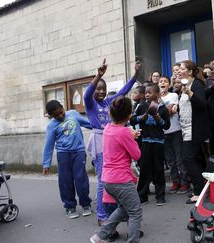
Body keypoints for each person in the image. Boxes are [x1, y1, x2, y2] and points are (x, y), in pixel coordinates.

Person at [84, 58, 141, 226]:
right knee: (103, 180)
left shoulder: (109, 102)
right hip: (100, 143)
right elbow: (87, 93)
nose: (101, 92)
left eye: (104, 89)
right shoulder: (91, 103)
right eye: (98, 89)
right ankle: (102, 215)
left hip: (112, 141)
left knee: (114, 179)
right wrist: (98, 76)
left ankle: (114, 210)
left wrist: (135, 76)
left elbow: (123, 92)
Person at [90, 96, 142, 243]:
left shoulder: (107, 128)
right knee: (135, 212)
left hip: (107, 179)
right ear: (129, 115)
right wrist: (132, 137)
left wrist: (129, 136)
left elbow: (118, 140)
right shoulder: (125, 132)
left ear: (110, 114)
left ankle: (100, 236)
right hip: (121, 180)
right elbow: (136, 155)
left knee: (125, 208)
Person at [41, 100, 92, 219]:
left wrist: (104, 127)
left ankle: (86, 204)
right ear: (50, 116)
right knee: (65, 180)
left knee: (81, 178)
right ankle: (70, 206)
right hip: (63, 154)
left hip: (78, 152)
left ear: (63, 108)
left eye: (61, 112)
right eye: (56, 115)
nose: (60, 116)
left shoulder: (73, 114)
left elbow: (88, 123)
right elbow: (48, 145)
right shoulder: (51, 126)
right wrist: (46, 164)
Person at [130, 83, 170, 206]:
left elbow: (167, 126)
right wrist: (142, 117)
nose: (147, 94)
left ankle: (160, 196)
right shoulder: (141, 107)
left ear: (157, 94)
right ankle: (142, 196)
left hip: (158, 142)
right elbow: (132, 120)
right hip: (145, 141)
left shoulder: (162, 108)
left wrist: (159, 119)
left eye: (150, 92)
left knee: (158, 168)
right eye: (146, 92)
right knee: (145, 169)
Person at [178, 60, 210, 204]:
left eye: (182, 69)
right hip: (186, 129)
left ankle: (199, 191)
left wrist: (190, 93)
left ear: (190, 72)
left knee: (188, 158)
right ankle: (201, 188)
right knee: (193, 159)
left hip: (194, 129)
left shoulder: (196, 85)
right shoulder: (185, 86)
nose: (178, 71)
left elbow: (202, 105)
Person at [159, 76, 190, 194]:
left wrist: (162, 108)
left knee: (179, 158)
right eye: (161, 82)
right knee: (170, 160)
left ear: (169, 84)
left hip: (175, 130)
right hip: (163, 133)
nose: (162, 83)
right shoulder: (155, 99)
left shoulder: (173, 95)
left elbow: (168, 112)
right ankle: (175, 181)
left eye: (165, 81)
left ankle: (184, 182)